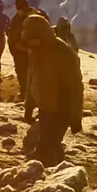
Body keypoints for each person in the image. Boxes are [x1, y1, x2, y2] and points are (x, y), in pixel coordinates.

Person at [27, 13, 85, 166]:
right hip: (45, 108)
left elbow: (76, 87)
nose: (30, 44)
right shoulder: (36, 53)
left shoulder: (63, 54)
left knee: (45, 148)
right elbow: (33, 80)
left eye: (32, 39)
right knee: (51, 146)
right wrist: (29, 105)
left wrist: (75, 117)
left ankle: (49, 181)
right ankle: (62, 170)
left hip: (61, 109)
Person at [8, 0, 53, 129]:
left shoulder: (34, 16)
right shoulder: (21, 18)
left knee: (32, 80)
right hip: (25, 53)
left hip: (33, 54)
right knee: (28, 79)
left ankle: (32, 105)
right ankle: (29, 104)